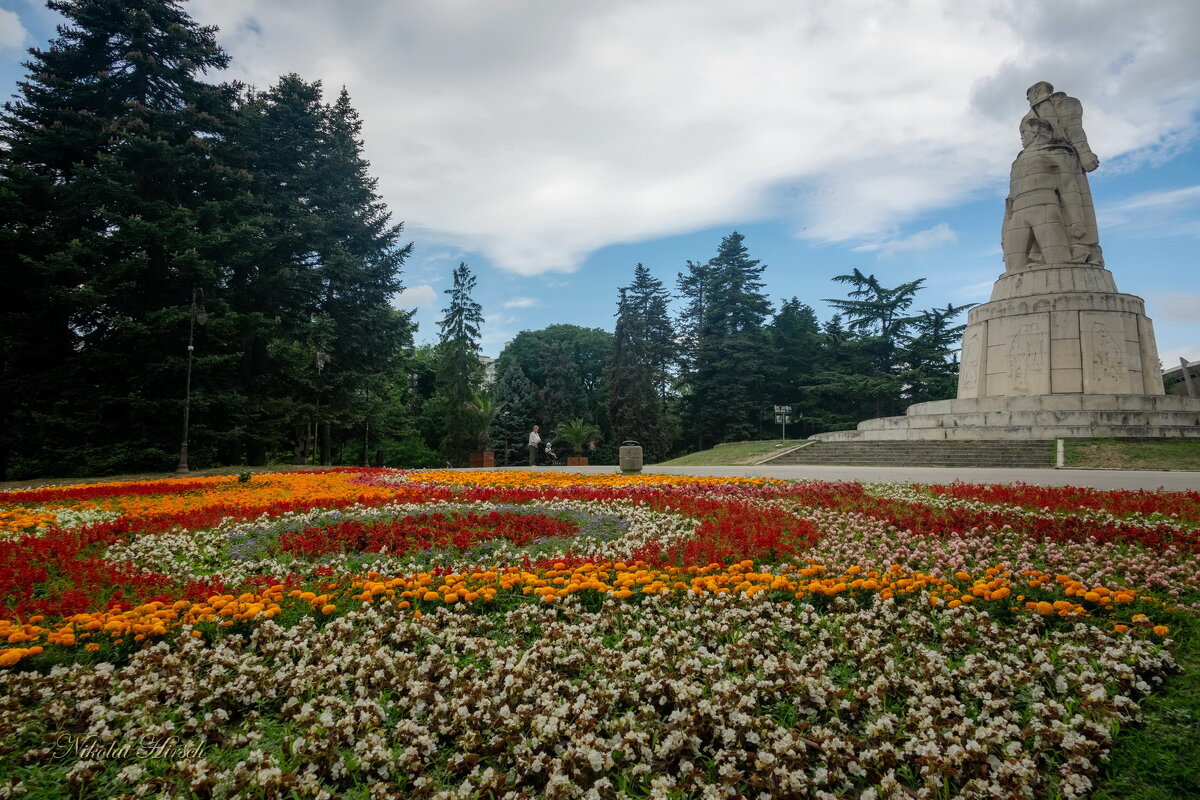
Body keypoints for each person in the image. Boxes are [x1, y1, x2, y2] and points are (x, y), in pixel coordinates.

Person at [1015, 81, 1103, 267]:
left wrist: (1085, 154)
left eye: (1030, 95)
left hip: (1066, 157)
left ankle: (1082, 251)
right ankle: (1039, 257)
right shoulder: (1028, 117)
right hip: (1039, 164)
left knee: (1074, 204)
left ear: (1037, 93)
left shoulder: (1066, 103)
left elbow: (1075, 130)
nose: (1029, 99)